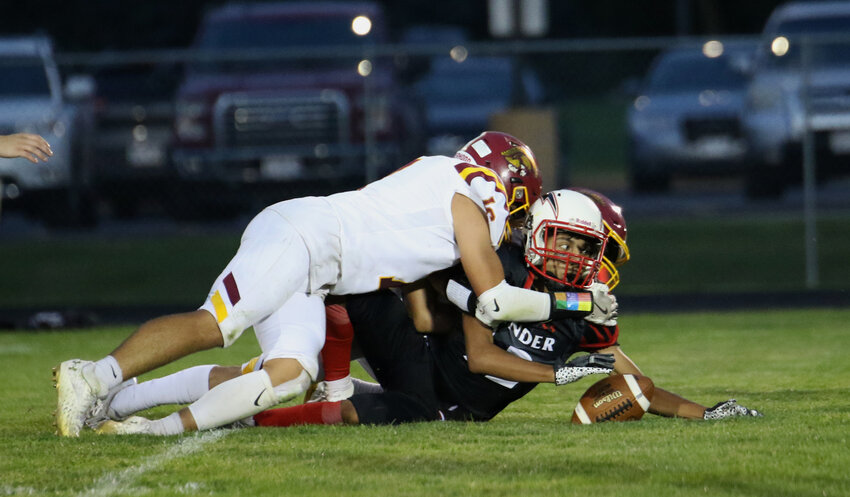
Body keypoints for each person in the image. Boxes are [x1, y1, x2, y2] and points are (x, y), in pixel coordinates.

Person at [55, 132, 614, 437]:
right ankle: (94, 374)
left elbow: (422, 317)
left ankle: (130, 412)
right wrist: (579, 301)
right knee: (217, 324)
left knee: (286, 377)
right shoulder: (469, 198)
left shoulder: (436, 188)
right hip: (304, 239)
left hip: (320, 269)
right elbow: (497, 299)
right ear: (509, 184)